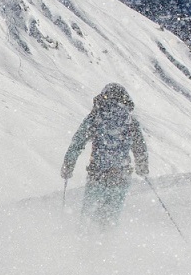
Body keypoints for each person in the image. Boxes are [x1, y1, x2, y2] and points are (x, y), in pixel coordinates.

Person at [61, 83, 149, 230]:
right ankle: (105, 245)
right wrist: (142, 167)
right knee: (110, 217)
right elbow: (140, 147)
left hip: (97, 175)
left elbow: (77, 143)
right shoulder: (130, 121)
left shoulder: (95, 118)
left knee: (88, 217)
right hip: (121, 176)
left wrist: (68, 165)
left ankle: (85, 246)